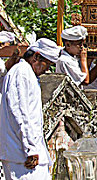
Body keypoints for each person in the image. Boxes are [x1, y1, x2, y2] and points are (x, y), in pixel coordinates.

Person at [0, 38, 61, 180]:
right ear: (37, 57)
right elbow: (20, 113)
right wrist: (30, 149)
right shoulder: (21, 73)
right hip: (21, 155)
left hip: (27, 152)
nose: (47, 70)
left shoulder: (27, 74)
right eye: (47, 64)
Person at [56, 25, 97, 97]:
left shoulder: (72, 57)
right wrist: (84, 60)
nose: (82, 47)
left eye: (83, 44)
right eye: (79, 44)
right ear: (68, 45)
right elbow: (86, 81)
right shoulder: (65, 60)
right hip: (71, 98)